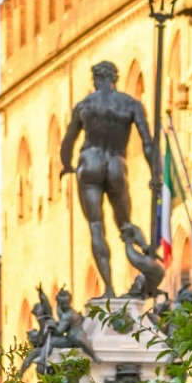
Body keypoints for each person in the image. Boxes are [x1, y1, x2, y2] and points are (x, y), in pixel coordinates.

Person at [60, 61, 155, 299]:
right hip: (116, 163)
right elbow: (148, 143)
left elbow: (68, 141)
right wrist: (155, 174)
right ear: (115, 78)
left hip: (89, 162)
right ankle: (145, 251)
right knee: (124, 223)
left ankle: (109, 288)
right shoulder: (130, 104)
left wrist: (67, 165)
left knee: (96, 226)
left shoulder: (85, 105)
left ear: (95, 79)